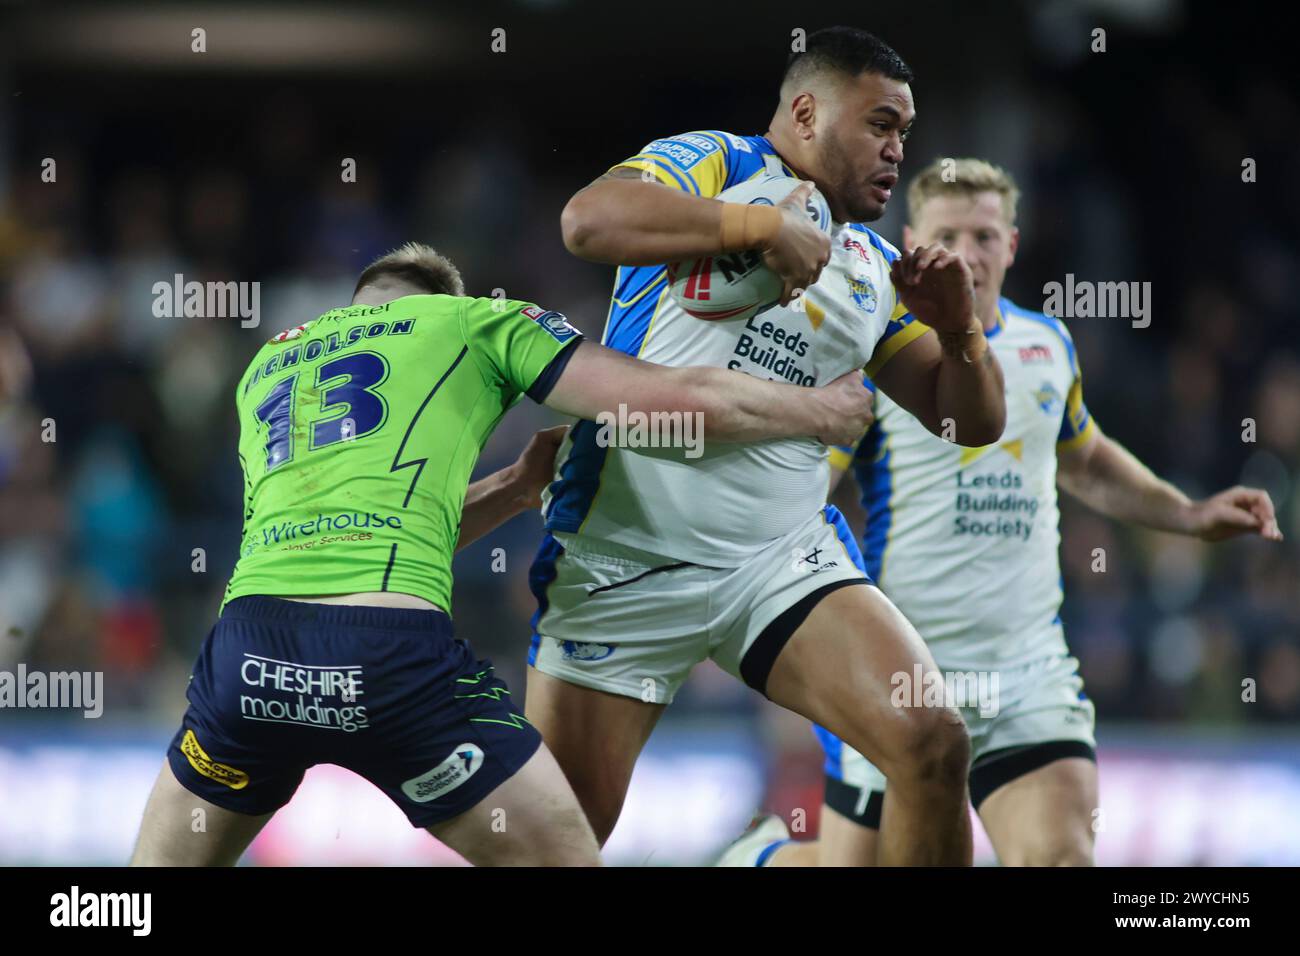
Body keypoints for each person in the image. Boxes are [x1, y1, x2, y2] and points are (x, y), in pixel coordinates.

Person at [130, 241, 874, 867]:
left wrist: (519, 487)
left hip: (249, 662)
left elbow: (368, 534)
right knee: (567, 858)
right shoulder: (475, 321)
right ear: (437, 297)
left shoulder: (270, 367)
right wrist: (817, 412)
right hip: (388, 664)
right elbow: (663, 401)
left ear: (355, 304)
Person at [525, 27, 1007, 865]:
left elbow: (966, 420)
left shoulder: (872, 266)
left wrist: (962, 330)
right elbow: (588, 220)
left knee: (933, 744)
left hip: (780, 562)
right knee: (553, 847)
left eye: (906, 133)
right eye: (881, 124)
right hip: (625, 553)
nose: (899, 151)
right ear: (808, 111)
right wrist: (754, 226)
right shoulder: (713, 161)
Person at [720, 157, 1282, 867]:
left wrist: (1190, 514)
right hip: (902, 680)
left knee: (1061, 858)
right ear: (911, 243)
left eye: (985, 235)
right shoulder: (874, 353)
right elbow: (801, 487)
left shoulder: (1048, 346)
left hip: (1027, 676)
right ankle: (760, 859)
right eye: (947, 234)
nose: (967, 253)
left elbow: (1085, 459)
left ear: (1012, 246)